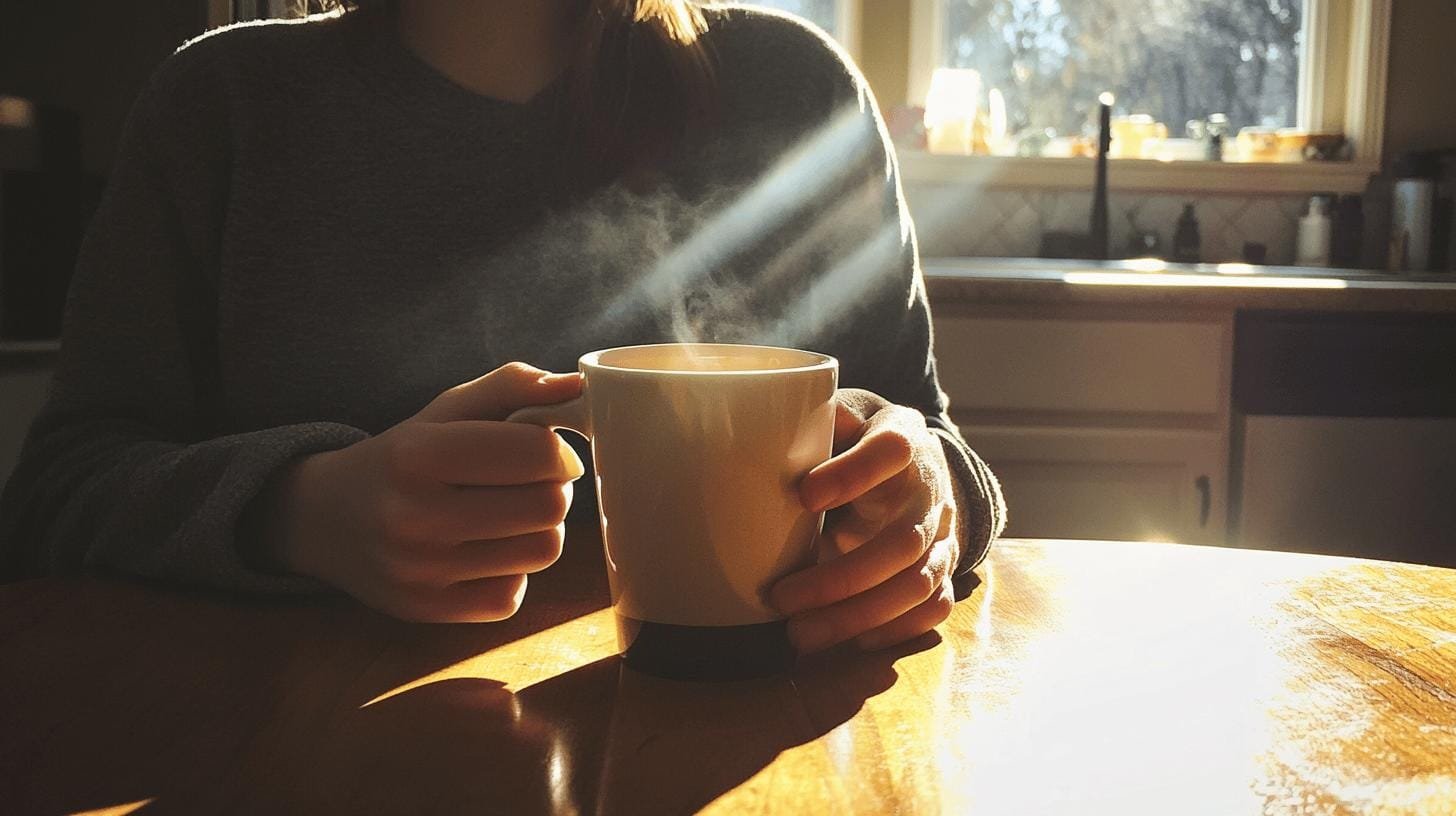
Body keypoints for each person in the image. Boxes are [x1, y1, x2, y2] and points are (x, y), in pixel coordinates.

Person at [0, 0, 1004, 655]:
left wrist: (929, 506)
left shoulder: (795, 92)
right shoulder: (222, 105)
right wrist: (297, 511)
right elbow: (58, 490)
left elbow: (928, 440)